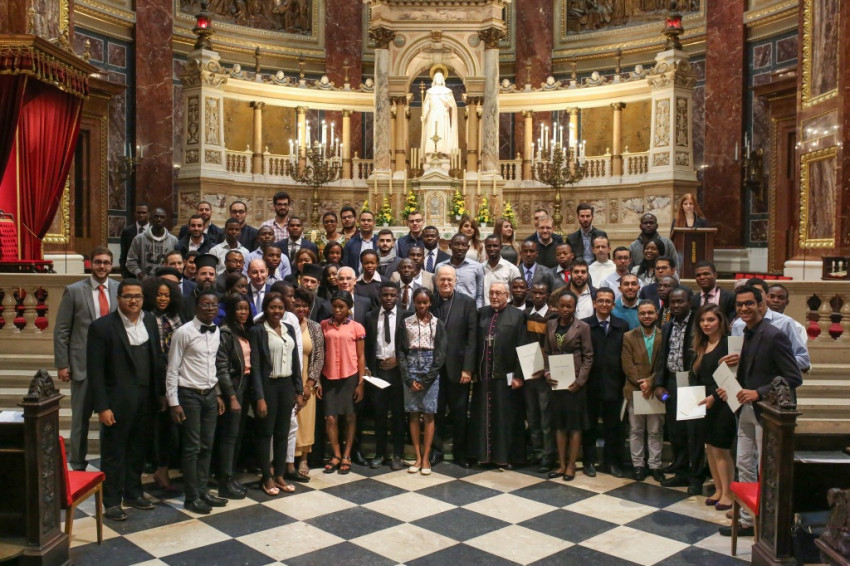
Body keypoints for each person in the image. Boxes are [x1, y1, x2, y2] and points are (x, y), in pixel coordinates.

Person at [719, 285, 804, 537]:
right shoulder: (746, 332)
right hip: (745, 409)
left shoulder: (774, 335)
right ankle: (747, 520)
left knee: (765, 468)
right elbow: (751, 371)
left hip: (767, 411)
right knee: (744, 464)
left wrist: (758, 392)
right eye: (739, 304)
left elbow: (794, 377)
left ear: (761, 305)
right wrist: (729, 384)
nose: (744, 308)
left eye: (749, 303)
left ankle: (768, 525)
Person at [87, 278, 164, 521]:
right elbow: (95, 372)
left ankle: (133, 492)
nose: (133, 301)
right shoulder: (102, 327)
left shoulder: (149, 320)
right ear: (118, 298)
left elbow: (156, 358)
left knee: (138, 450)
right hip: (117, 402)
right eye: (128, 296)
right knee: (114, 453)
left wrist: (160, 394)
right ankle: (111, 501)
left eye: (138, 296)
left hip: (146, 399)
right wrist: (103, 407)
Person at [55, 246, 119, 471]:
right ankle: (78, 464)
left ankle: (107, 465)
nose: (102, 266)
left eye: (106, 262)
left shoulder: (118, 289)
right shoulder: (74, 291)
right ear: (90, 263)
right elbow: (62, 330)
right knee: (80, 422)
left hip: (111, 367)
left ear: (111, 265)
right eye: (98, 262)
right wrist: (62, 364)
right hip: (82, 366)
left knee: (109, 420)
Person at [166, 290, 229, 514]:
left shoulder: (217, 331)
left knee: (207, 446)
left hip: (210, 394)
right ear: (196, 307)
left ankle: (203, 491)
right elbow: (172, 368)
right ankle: (191, 497)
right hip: (189, 395)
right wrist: (173, 402)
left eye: (214, 305)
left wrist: (218, 393)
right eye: (205, 304)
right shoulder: (183, 332)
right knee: (192, 448)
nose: (210, 308)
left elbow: (212, 366)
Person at [249, 292, 303, 495]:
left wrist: (298, 389)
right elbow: (255, 367)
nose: (277, 311)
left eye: (280, 308)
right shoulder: (257, 331)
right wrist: (259, 397)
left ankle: (279, 475)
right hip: (268, 386)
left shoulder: (289, 328)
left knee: (283, 432)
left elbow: (296, 361)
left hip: (286, 385)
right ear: (265, 309)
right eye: (272, 307)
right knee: (265, 433)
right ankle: (267, 477)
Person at [469, 281, 527, 468]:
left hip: (507, 377)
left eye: (498, 293)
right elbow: (473, 343)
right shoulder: (481, 313)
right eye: (491, 293)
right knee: (482, 416)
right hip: (484, 377)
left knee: (506, 417)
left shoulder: (518, 316)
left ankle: (506, 457)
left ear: (507, 296)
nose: (494, 296)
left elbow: (524, 346)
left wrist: (519, 375)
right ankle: (483, 455)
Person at [542, 291, 593, 481]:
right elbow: (547, 352)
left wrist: (580, 381)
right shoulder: (551, 324)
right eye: (562, 306)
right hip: (557, 383)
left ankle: (572, 465)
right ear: (557, 306)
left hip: (575, 384)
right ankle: (561, 465)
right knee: (559, 426)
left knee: (574, 426)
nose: (565, 309)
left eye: (569, 306)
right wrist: (547, 373)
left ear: (574, 307)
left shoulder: (583, 327)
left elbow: (588, 356)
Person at [431, 265, 478, 467]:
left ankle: (460, 453)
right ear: (436, 281)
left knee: (459, 413)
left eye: (449, 279)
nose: (446, 283)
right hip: (434, 369)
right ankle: (436, 451)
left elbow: (471, 338)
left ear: (455, 281)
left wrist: (468, 368)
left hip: (458, 368)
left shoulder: (467, 303)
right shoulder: (429, 301)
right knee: (436, 412)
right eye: (442, 279)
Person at [691, 304, 736, 510]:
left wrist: (714, 397)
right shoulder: (701, 344)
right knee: (709, 447)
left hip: (722, 401)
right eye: (702, 320)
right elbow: (696, 374)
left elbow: (732, 377)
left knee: (721, 449)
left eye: (711, 320)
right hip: (704, 402)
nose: (706, 324)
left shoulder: (728, 344)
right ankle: (718, 489)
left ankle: (728, 493)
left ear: (720, 321)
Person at [141, 277, 184, 492]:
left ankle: (165, 468)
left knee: (171, 430)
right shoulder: (146, 318)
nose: (163, 299)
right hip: (155, 379)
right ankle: (159, 469)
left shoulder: (176, 317)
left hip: (177, 377)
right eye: (159, 295)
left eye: (167, 295)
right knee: (159, 428)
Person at [399, 288, 447, 474]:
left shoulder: (437, 323)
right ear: (413, 302)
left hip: (430, 369)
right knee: (413, 413)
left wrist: (427, 380)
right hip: (411, 367)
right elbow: (401, 351)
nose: (421, 306)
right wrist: (408, 378)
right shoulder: (406, 322)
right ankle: (417, 457)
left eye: (425, 302)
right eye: (418, 302)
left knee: (428, 413)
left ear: (430, 303)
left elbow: (441, 353)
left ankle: (426, 458)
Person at [581, 287, 628, 478]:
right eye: (600, 300)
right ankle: (589, 461)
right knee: (589, 426)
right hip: (590, 384)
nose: (604, 304)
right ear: (594, 303)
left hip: (614, 384)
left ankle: (612, 463)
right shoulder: (585, 325)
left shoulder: (621, 326)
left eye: (608, 301)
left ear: (613, 305)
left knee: (613, 427)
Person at [318, 291, 366, 475]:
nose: (337, 310)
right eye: (335, 306)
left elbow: (361, 356)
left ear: (349, 308)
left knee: (350, 416)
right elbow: (319, 354)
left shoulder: (357, 327)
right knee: (330, 417)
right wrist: (318, 381)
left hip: (350, 376)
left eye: (342, 307)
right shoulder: (323, 325)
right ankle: (336, 454)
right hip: (329, 376)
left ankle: (347, 454)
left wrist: (360, 382)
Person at [654, 286, 695, 489]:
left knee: (692, 432)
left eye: (680, 301)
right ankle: (680, 471)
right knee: (676, 431)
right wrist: (659, 383)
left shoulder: (698, 324)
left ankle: (695, 476)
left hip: (692, 383)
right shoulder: (668, 325)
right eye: (672, 302)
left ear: (690, 302)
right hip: (671, 382)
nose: (676, 305)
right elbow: (663, 356)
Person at [621, 300, 665, 482]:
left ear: (656, 315)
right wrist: (642, 383)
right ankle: (638, 465)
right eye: (643, 313)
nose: (647, 316)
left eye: (650, 312)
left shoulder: (664, 335)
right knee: (636, 430)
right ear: (638, 315)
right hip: (635, 389)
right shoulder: (628, 336)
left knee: (655, 430)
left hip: (656, 390)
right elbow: (627, 364)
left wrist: (651, 382)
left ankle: (655, 465)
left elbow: (664, 363)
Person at [364, 282, 406, 470]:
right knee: (379, 414)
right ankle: (380, 454)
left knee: (398, 415)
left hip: (398, 371)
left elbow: (409, 344)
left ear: (397, 296)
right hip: (378, 370)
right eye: (385, 295)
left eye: (392, 295)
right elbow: (367, 345)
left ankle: (398, 455)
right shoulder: (370, 316)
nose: (389, 298)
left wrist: (398, 360)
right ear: (380, 296)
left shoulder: (405, 316)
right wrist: (367, 367)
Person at [214, 294, 253, 499]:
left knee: (237, 435)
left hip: (246, 386)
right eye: (239, 308)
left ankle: (231, 476)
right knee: (229, 436)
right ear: (231, 310)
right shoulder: (226, 332)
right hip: (233, 388)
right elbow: (221, 368)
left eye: (246, 308)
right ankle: (224, 481)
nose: (243, 312)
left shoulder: (245, 330)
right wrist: (231, 396)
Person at [292, 288, 325, 475]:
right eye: (297, 305)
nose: (301, 309)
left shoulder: (314, 327)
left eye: (305, 306)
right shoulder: (284, 325)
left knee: (305, 420)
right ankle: (287, 459)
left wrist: (310, 383)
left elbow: (319, 357)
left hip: (307, 380)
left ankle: (304, 459)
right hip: (288, 381)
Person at [524, 281, 556, 473]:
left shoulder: (553, 316)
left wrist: (546, 369)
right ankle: (536, 452)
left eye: (541, 293)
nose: (537, 296)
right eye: (534, 292)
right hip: (529, 373)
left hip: (545, 375)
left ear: (547, 295)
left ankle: (548, 454)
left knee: (546, 419)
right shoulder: (526, 315)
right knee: (532, 416)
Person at [127, 208, 179, 279]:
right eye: (156, 216)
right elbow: (131, 261)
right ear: (150, 219)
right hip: (144, 282)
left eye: (162, 217)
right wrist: (141, 276)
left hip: (166, 281)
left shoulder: (173, 240)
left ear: (166, 220)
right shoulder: (139, 239)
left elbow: (177, 262)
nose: (159, 219)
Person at [435, 233, 484, 307]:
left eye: (464, 245)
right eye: (457, 244)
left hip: (469, 308)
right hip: (446, 307)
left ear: (468, 247)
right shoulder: (440, 267)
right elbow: (438, 290)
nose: (460, 248)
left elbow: (480, 295)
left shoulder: (477, 267)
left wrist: (477, 310)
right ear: (450, 246)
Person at [420, 70, 458, 156]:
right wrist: (424, 115)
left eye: (440, 77)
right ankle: (432, 152)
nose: (439, 79)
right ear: (434, 79)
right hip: (433, 115)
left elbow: (453, 105)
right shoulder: (430, 92)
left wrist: (450, 102)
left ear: (443, 79)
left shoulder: (447, 91)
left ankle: (443, 152)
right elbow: (426, 105)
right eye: (437, 77)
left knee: (442, 133)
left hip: (443, 115)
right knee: (432, 131)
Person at [482, 234, 521, 307]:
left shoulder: (512, 269)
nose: (492, 248)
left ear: (501, 247)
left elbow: (517, 293)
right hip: (484, 310)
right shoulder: (480, 268)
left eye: (495, 246)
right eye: (489, 246)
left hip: (505, 309)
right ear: (485, 247)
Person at [342, 209, 378, 274]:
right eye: (363, 220)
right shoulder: (350, 244)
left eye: (369, 220)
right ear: (358, 222)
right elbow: (345, 266)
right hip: (356, 279)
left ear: (374, 223)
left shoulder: (380, 242)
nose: (366, 223)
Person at [120, 203, 149, 278]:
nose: (141, 215)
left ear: (148, 213)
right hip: (130, 274)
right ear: (135, 214)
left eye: (144, 212)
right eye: (138, 212)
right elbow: (124, 254)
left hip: (149, 273)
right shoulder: (127, 231)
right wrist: (124, 272)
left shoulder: (153, 231)